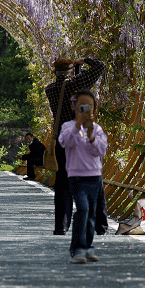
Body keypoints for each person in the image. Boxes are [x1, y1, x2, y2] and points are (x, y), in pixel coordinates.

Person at [45, 57, 105, 235]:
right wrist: (84, 60)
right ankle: (100, 225)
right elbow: (100, 65)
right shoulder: (76, 83)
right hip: (82, 139)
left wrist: (75, 69)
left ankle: (61, 225)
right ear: (71, 70)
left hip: (63, 138)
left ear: (55, 72)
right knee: (94, 179)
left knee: (62, 182)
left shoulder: (50, 90)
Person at [58, 91, 107, 263]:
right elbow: (66, 142)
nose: (86, 109)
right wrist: (78, 125)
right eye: (83, 106)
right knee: (83, 209)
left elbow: (100, 151)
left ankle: (87, 246)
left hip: (94, 176)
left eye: (90, 106)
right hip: (76, 177)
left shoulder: (97, 129)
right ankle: (77, 248)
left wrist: (92, 136)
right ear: (74, 107)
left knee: (92, 213)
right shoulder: (67, 126)